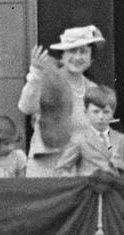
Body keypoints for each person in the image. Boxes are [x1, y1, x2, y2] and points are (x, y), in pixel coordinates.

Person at [18, 25, 105, 177]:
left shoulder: (92, 88)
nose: (78, 57)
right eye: (72, 51)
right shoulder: (48, 78)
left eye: (84, 51)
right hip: (46, 167)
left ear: (91, 58)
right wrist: (35, 75)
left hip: (79, 169)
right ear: (63, 56)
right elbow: (26, 107)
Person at [56, 83, 124, 176]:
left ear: (113, 113)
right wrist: (80, 182)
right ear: (86, 112)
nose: (101, 117)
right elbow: (61, 169)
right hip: (90, 189)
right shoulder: (80, 139)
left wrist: (123, 166)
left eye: (106, 112)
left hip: (116, 189)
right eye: (95, 112)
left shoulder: (121, 139)